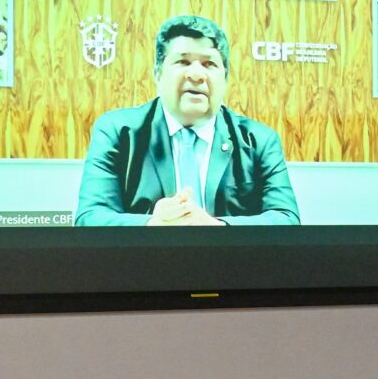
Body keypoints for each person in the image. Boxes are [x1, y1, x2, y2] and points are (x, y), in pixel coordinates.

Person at [75, 15, 299, 226]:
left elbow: (286, 219)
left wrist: (217, 227)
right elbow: (90, 217)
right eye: (183, 62)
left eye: (209, 64)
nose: (196, 75)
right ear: (158, 72)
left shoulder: (259, 140)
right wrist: (152, 225)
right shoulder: (118, 132)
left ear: (225, 77)